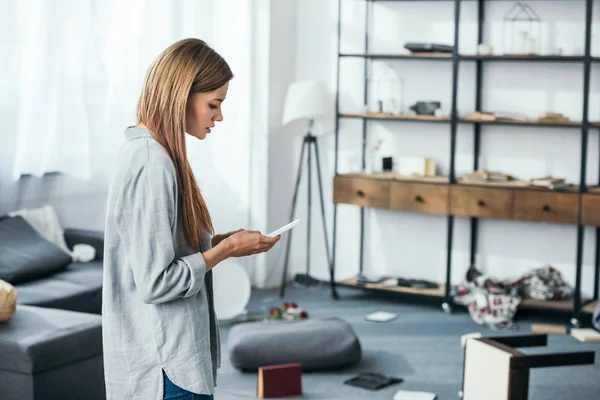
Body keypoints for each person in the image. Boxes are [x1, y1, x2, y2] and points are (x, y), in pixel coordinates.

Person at [102, 38, 280, 400]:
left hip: (171, 358)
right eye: (213, 104)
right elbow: (156, 283)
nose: (219, 116)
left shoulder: (155, 155)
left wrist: (215, 244)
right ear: (181, 94)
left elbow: (160, 250)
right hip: (165, 366)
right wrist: (227, 249)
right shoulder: (152, 164)